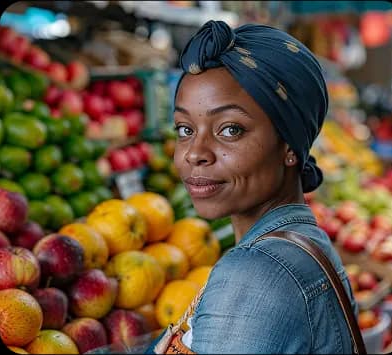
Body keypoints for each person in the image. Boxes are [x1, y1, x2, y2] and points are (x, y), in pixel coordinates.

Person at [152, 20, 359, 354]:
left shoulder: (255, 274)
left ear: (289, 146)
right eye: (185, 129)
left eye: (230, 130)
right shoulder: (303, 242)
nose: (194, 153)